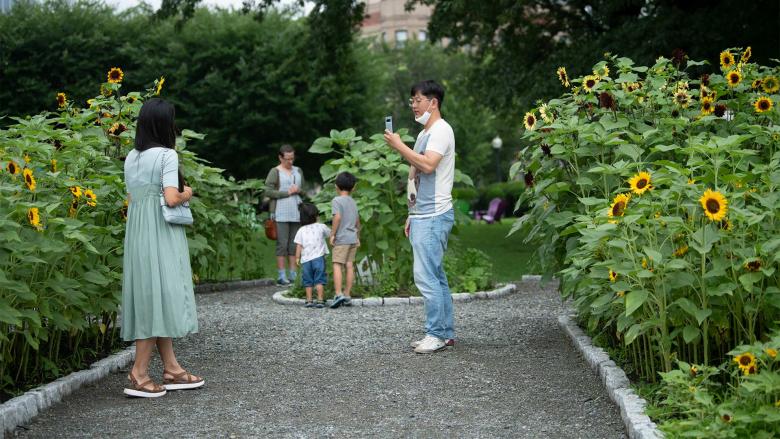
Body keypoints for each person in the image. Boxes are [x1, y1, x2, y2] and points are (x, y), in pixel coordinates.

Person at [121, 98, 204, 397]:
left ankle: (172, 368)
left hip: (138, 233)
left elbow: (132, 198)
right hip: (161, 232)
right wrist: (187, 193)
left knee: (155, 296)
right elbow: (171, 198)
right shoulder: (167, 155)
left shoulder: (131, 157)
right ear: (164, 124)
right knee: (160, 295)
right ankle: (139, 372)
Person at [384, 80, 456, 354]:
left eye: (417, 100)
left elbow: (427, 165)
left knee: (426, 277)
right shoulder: (425, 133)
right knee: (435, 276)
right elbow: (415, 174)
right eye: (412, 101)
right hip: (422, 214)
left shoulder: (440, 130)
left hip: (434, 214)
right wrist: (411, 213)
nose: (413, 105)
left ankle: (436, 334)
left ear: (433, 102)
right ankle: (444, 333)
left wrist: (398, 145)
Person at [265, 145, 304, 286]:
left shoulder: (298, 171)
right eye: (287, 159)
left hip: (296, 212)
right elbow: (268, 191)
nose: (290, 162)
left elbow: (303, 191)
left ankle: (293, 275)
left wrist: (299, 190)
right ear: (280, 158)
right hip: (280, 212)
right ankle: (282, 276)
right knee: (282, 244)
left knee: (294, 244)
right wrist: (286, 193)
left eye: (292, 158)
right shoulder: (275, 171)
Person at [329, 172, 360, 309]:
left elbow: (337, 217)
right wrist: (357, 236)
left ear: (336, 186)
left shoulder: (336, 200)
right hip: (352, 238)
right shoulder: (353, 202)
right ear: (353, 188)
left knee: (337, 264)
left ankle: (338, 293)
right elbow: (357, 221)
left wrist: (332, 234)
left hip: (341, 238)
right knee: (349, 265)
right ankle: (347, 294)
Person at [294, 203, 331, 308]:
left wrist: (297, 258)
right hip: (319, 259)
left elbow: (299, 245)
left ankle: (309, 300)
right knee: (319, 280)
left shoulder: (301, 230)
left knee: (308, 281)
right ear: (315, 216)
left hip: (305, 260)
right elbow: (331, 233)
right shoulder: (321, 227)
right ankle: (320, 300)